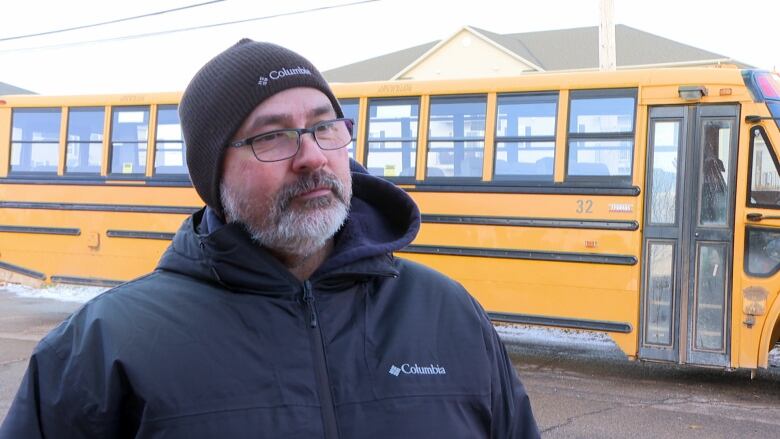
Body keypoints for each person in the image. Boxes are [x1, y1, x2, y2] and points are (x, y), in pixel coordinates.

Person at [0, 39, 539, 438]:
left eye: (325, 126)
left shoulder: (446, 313)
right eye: (272, 136)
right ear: (214, 176)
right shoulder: (105, 344)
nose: (313, 155)